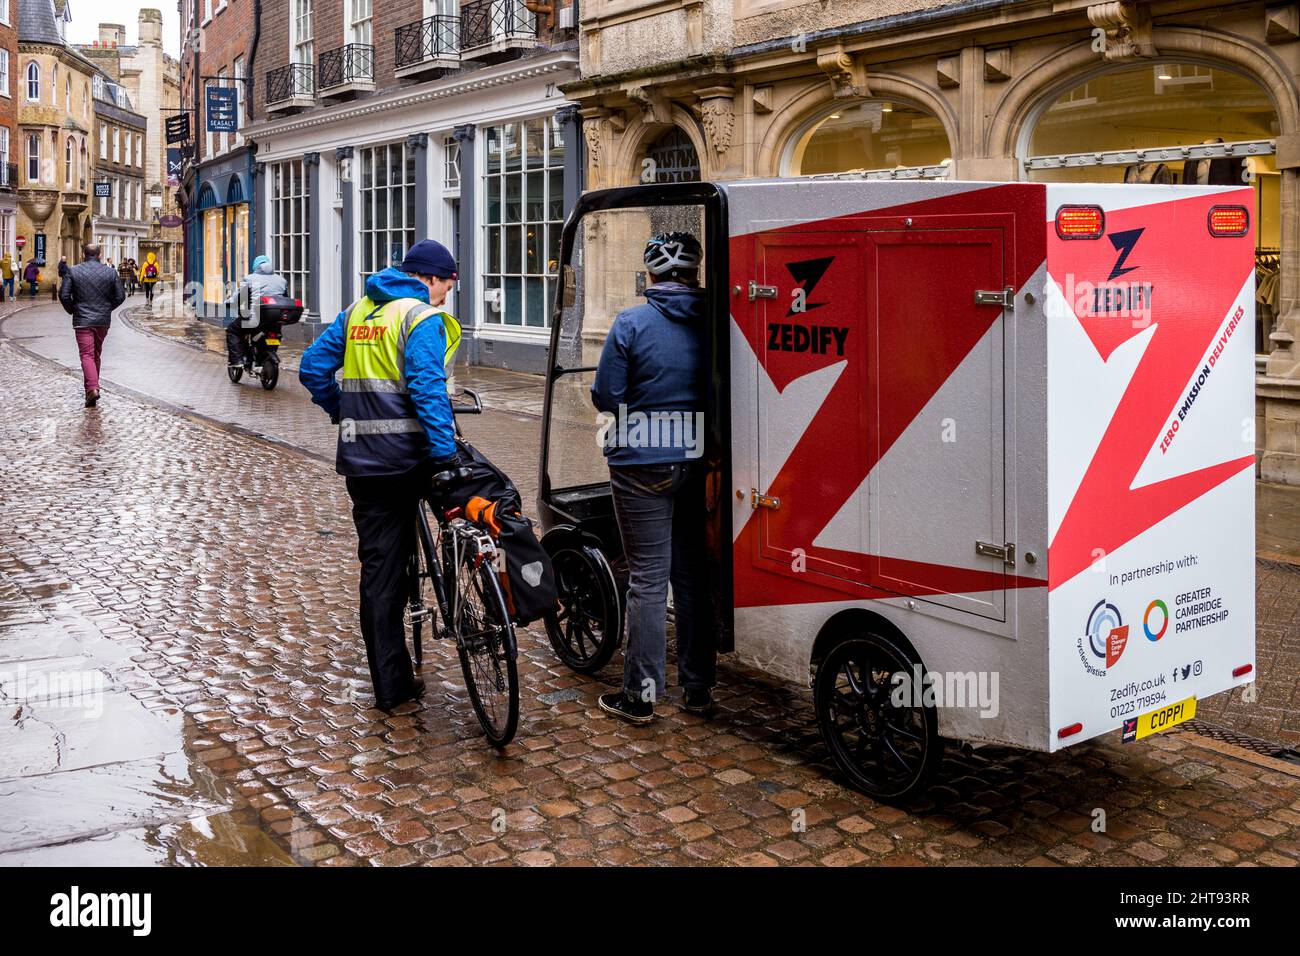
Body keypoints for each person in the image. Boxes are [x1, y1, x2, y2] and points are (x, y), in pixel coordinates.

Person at [299, 239, 461, 712]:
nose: (446, 297)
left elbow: (312, 369)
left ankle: (392, 686)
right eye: (447, 286)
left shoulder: (357, 312)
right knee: (464, 511)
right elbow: (427, 388)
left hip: (363, 462)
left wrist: (342, 412)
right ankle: (468, 610)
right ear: (429, 278)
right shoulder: (418, 318)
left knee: (380, 570)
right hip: (412, 459)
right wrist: (446, 452)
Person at [591, 232, 714, 724]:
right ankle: (699, 688)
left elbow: (607, 396)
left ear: (650, 276)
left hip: (641, 461)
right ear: (695, 274)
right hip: (698, 459)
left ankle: (642, 696)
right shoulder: (716, 320)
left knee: (647, 578)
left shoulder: (632, 322)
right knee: (691, 574)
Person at [58, 243, 125, 408]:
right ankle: (92, 388)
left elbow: (64, 295)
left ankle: (92, 388)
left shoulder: (73, 271)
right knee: (95, 354)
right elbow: (121, 295)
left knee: (87, 355)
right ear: (100, 255)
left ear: (83, 254)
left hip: (83, 321)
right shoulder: (110, 272)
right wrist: (107, 309)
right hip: (102, 321)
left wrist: (73, 310)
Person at [225, 255, 288, 371]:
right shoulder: (281, 280)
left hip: (254, 319)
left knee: (232, 330)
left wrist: (228, 302)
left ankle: (237, 360)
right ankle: (263, 358)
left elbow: (238, 298)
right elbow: (285, 298)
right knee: (273, 334)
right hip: (275, 320)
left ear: (255, 267)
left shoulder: (249, 279)